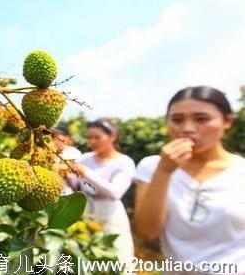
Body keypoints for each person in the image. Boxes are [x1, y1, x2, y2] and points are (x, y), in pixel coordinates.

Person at [133, 86, 245, 274]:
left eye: (202, 119)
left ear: (227, 122)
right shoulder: (152, 167)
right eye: (177, 120)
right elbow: (147, 232)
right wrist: (164, 172)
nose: (187, 129)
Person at [64, 118, 135, 269]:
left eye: (97, 137)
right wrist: (67, 176)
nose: (92, 141)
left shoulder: (124, 162)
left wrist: (85, 171)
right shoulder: (86, 158)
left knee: (116, 255)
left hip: (110, 213)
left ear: (112, 137)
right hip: (86, 211)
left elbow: (115, 192)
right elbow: (77, 187)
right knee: (86, 255)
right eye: (89, 137)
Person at [50, 125, 83, 195]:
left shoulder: (74, 153)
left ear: (67, 138)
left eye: (57, 137)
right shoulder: (50, 152)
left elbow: (76, 173)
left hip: (66, 192)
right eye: (53, 137)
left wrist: (63, 169)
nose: (54, 140)